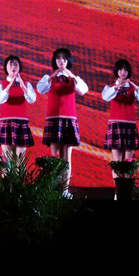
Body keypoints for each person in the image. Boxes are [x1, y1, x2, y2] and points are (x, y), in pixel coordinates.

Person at [37, 47, 88, 197]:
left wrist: (70, 74)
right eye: (58, 58)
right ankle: (54, 189)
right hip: (53, 118)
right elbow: (41, 89)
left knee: (67, 157)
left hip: (69, 119)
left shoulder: (73, 79)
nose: (61, 61)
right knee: (55, 155)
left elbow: (83, 90)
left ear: (68, 61)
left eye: (64, 59)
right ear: (55, 61)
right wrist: (53, 75)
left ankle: (64, 190)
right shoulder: (49, 78)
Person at [101, 58, 139, 180]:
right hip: (115, 124)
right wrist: (117, 87)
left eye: (125, 70)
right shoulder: (110, 87)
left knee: (128, 160)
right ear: (117, 71)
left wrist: (135, 86)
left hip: (129, 124)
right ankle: (118, 188)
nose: (123, 72)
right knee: (117, 160)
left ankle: (126, 188)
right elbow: (105, 97)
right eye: (120, 70)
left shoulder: (132, 88)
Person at [0, 55, 36, 162]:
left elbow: (32, 99)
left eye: (16, 64)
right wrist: (10, 85)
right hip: (6, 123)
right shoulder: (1, 84)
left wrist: (23, 86)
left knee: (20, 162)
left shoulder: (26, 84)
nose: (13, 66)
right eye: (10, 64)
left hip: (21, 124)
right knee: (7, 160)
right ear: (6, 68)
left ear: (19, 67)